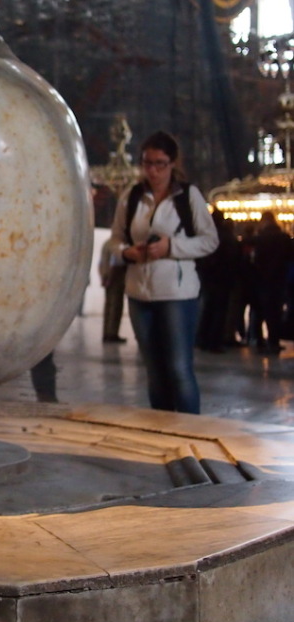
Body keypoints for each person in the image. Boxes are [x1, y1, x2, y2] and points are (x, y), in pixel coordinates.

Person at [110, 130, 218, 415]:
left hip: (177, 295)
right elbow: (115, 238)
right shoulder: (132, 196)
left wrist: (171, 247)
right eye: (147, 163)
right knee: (154, 370)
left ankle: (188, 432)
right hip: (138, 293)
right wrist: (125, 252)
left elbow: (210, 240)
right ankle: (162, 431)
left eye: (160, 164)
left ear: (172, 164)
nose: (153, 170)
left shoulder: (187, 196)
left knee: (178, 368)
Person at [196, 210, 241, 353]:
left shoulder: (206, 235)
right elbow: (233, 259)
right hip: (223, 279)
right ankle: (214, 342)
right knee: (219, 311)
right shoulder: (226, 237)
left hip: (208, 277)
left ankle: (202, 339)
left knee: (208, 309)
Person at [251, 210, 294, 355]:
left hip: (262, 279)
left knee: (261, 311)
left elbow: (255, 260)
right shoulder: (284, 238)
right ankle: (274, 340)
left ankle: (259, 340)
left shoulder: (260, 238)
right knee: (276, 311)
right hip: (279, 279)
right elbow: (290, 257)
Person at [99, 238, 127, 342]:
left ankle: (107, 333)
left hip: (108, 277)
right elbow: (114, 263)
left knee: (109, 306)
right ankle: (112, 334)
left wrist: (103, 277)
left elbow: (101, 263)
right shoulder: (117, 244)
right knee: (115, 306)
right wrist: (109, 277)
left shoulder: (106, 243)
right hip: (115, 277)